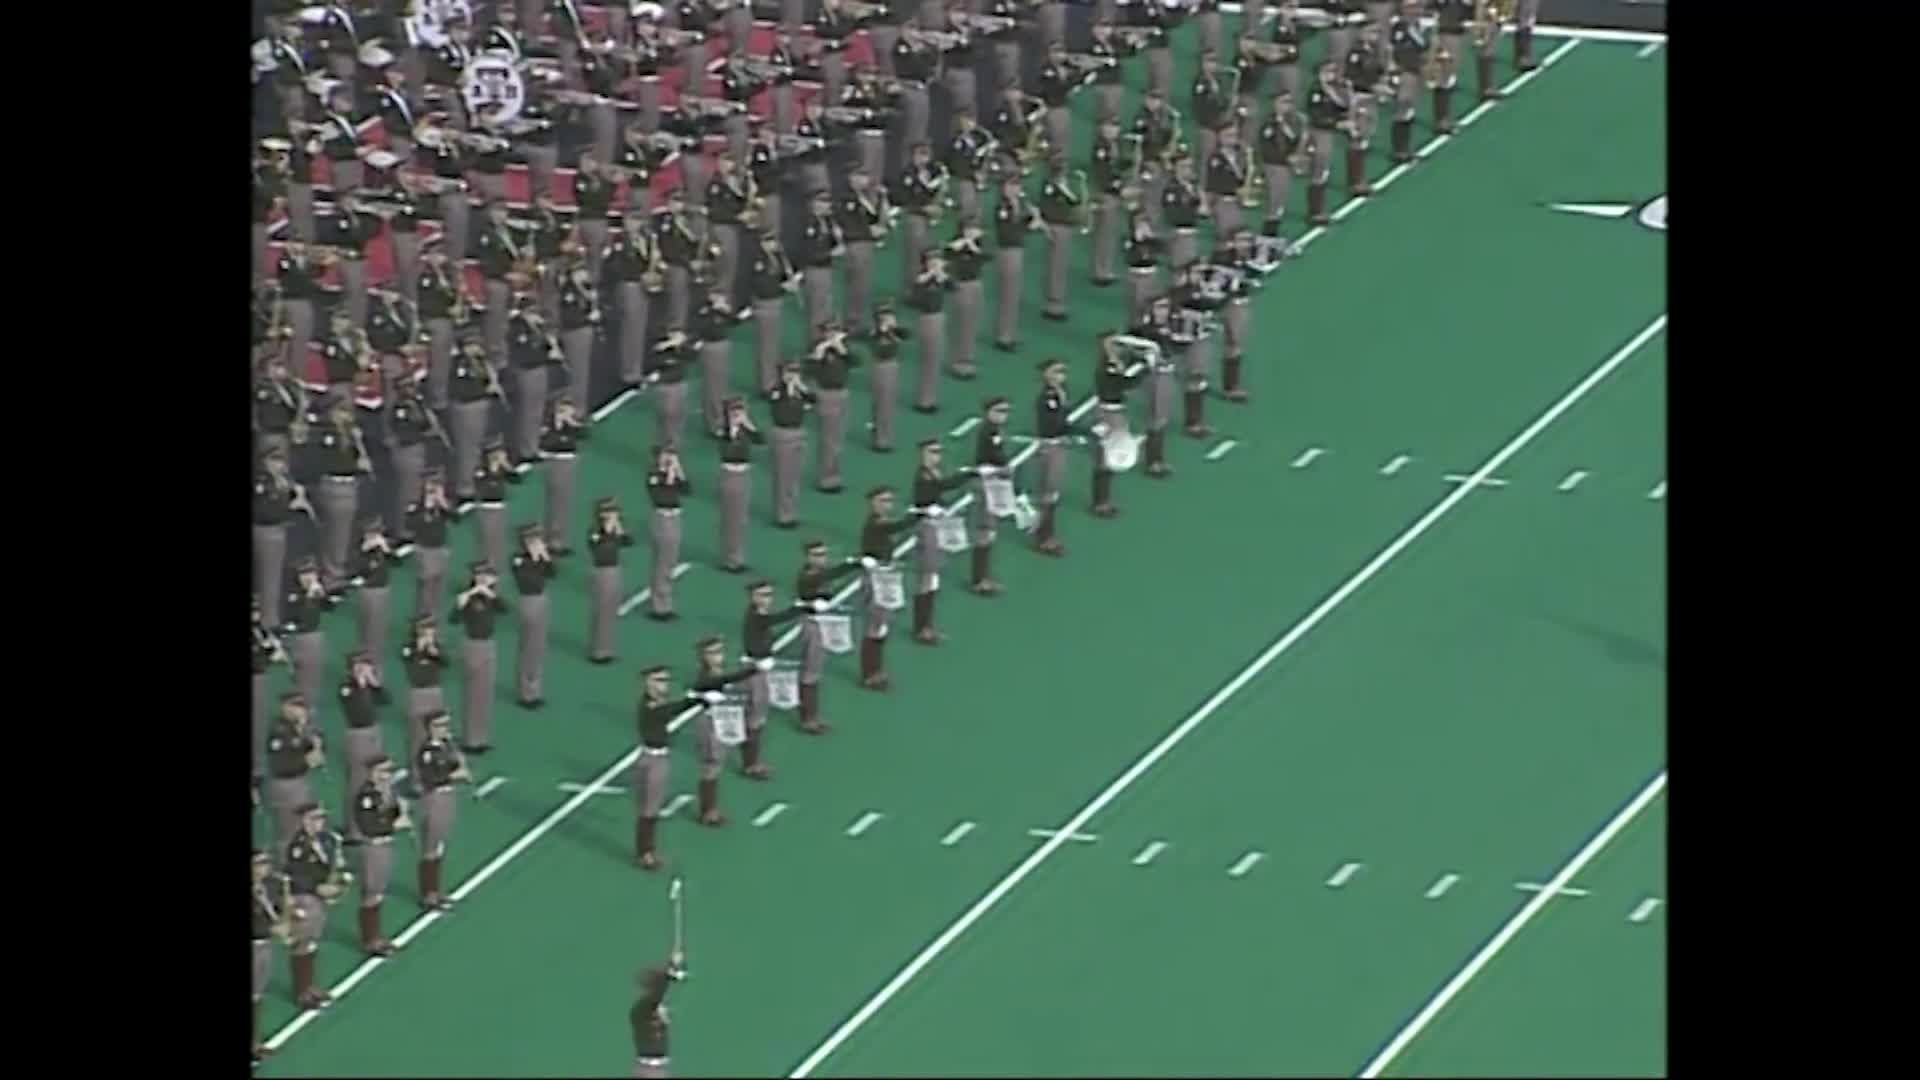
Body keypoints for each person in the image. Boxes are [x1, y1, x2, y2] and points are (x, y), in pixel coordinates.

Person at [688, 637, 766, 824]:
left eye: (720, 651)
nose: (718, 656)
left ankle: (711, 808)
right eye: (713, 653)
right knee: (712, 763)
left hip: (724, 719)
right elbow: (724, 680)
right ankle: (707, 811)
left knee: (718, 761)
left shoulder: (719, 671)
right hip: (710, 721)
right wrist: (752, 670)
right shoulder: (706, 676)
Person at [793, 541, 863, 732]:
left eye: (823, 554)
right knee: (810, 669)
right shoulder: (808, 576)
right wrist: (852, 564)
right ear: (807, 557)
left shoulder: (819, 574)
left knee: (816, 667)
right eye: (816, 555)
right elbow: (828, 576)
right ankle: (807, 718)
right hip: (811, 622)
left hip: (822, 621)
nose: (821, 558)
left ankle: (813, 715)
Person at [856, 486, 920, 689]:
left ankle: (877, 669)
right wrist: (917, 516)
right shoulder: (875, 524)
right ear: (873, 503)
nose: (887, 505)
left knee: (882, 624)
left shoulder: (881, 523)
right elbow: (895, 528)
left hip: (886, 575)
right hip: (876, 577)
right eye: (883, 500)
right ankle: (869, 673)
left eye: (889, 501)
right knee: (874, 625)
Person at [283, 803, 343, 1009]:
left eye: (321, 819)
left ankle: (310, 985)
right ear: (304, 820)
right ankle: (301, 991)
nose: (320, 823)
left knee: (312, 942)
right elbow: (297, 876)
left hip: (318, 898)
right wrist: (319, 887)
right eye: (315, 819)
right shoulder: (298, 846)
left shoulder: (325, 839)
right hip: (304, 897)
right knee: (302, 942)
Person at [350, 755, 408, 956]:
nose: (387, 776)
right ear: (373, 772)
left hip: (385, 845)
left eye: (388, 772)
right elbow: (368, 826)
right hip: (373, 847)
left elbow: (394, 813)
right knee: (371, 893)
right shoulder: (367, 797)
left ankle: (377, 936)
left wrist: (400, 810)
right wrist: (394, 824)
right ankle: (370, 940)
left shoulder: (387, 792)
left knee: (379, 893)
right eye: (383, 771)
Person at [414, 710, 470, 910]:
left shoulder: (447, 746)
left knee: (439, 846)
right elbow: (431, 777)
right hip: (435, 797)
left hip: (447, 796)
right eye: (439, 726)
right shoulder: (427, 752)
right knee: (431, 845)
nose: (444, 730)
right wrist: (454, 774)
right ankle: (428, 893)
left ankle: (436, 891)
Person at [452, 561, 508, 753]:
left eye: (487, 576)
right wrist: (462, 603)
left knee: (485, 692)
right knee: (472, 693)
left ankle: (482, 737)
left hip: (488, 644)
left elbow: (505, 609)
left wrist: (491, 594)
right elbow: (454, 620)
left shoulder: (490, 597)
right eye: (480, 576)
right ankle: (470, 739)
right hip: (472, 644)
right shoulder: (468, 597)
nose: (483, 579)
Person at [338, 651, 391, 844]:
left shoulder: (369, 685)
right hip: (358, 735)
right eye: (358, 666)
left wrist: (375, 684)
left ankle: (375, 817)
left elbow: (386, 701)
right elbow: (356, 710)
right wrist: (361, 685)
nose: (363, 669)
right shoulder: (347, 688)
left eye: (365, 665)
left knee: (374, 777)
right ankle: (354, 829)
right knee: (358, 781)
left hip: (373, 731)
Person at [252, 850, 293, 1065]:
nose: (263, 868)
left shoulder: (269, 887)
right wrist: (273, 927)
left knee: (257, 996)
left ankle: (254, 1043)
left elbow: (276, 909)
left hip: (264, 946)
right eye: (258, 864)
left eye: (265, 863)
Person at [714, 398, 764, 572]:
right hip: (729, 473)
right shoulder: (724, 430)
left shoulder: (746, 430)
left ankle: (737, 557)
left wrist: (748, 425)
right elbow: (728, 447)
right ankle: (729, 557)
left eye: (740, 411)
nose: (737, 415)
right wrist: (733, 427)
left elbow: (760, 439)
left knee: (740, 518)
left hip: (743, 473)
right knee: (729, 518)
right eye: (734, 411)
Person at [1031, 359, 1073, 556]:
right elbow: (1054, 424)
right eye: (1056, 372)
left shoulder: (1060, 393)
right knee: (1049, 493)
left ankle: (1045, 532)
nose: (1061, 376)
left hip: (1058, 444)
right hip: (1051, 445)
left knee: (1053, 493)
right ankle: (1044, 537)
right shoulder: (1048, 397)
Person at [765, 360, 815, 528]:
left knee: (794, 476)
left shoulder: (801, 391)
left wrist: (801, 387)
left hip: (799, 432)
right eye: (789, 372)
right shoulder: (777, 391)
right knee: (784, 476)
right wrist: (789, 389)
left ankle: (791, 511)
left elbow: (813, 400)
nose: (793, 376)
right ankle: (783, 516)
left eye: (795, 372)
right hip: (783, 434)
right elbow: (774, 400)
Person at [512, 525, 558, 708]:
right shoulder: (518, 560)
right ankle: (525, 693)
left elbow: (553, 574)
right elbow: (526, 580)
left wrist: (545, 557)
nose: (537, 543)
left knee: (538, 646)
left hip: (542, 599)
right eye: (532, 540)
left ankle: (535, 690)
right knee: (528, 647)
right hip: (528, 600)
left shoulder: (539, 558)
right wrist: (534, 558)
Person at [589, 497, 638, 660]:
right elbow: (601, 550)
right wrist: (609, 530)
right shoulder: (595, 533)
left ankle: (608, 648)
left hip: (615, 570)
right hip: (602, 571)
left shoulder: (614, 530)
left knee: (611, 610)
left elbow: (628, 542)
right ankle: (598, 650)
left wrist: (619, 528)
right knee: (602, 611)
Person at [631, 953, 688, 1078]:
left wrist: (672, 970)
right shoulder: (640, 1009)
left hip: (660, 1067)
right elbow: (658, 992)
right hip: (648, 1067)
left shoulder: (659, 1008)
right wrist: (670, 967)